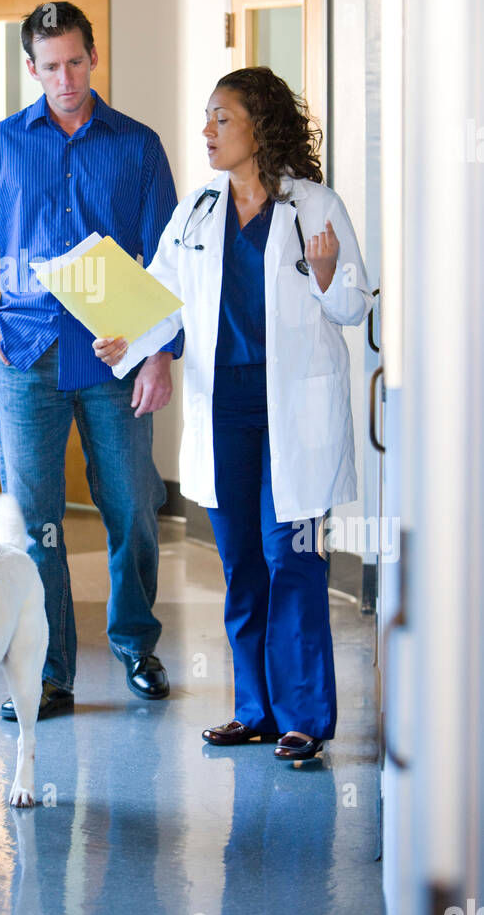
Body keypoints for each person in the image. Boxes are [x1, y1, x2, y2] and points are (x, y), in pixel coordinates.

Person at [94, 66, 373, 760]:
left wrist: (331, 275)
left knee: (294, 560)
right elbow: (162, 297)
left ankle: (304, 714)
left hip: (293, 413)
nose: (207, 131)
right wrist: (129, 335)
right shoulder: (198, 211)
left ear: (260, 125)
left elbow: (354, 307)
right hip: (224, 409)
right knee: (243, 563)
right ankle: (255, 710)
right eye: (207, 119)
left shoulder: (315, 207)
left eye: (222, 118)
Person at [0, 1, 183, 716]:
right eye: (50, 67)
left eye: (76, 62)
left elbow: (170, 263)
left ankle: (136, 644)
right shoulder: (2, 145)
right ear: (31, 69)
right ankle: (48, 670)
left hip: (116, 355)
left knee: (133, 506)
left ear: (93, 56)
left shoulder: (137, 147)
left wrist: (159, 352)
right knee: (36, 520)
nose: (66, 79)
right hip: (26, 355)